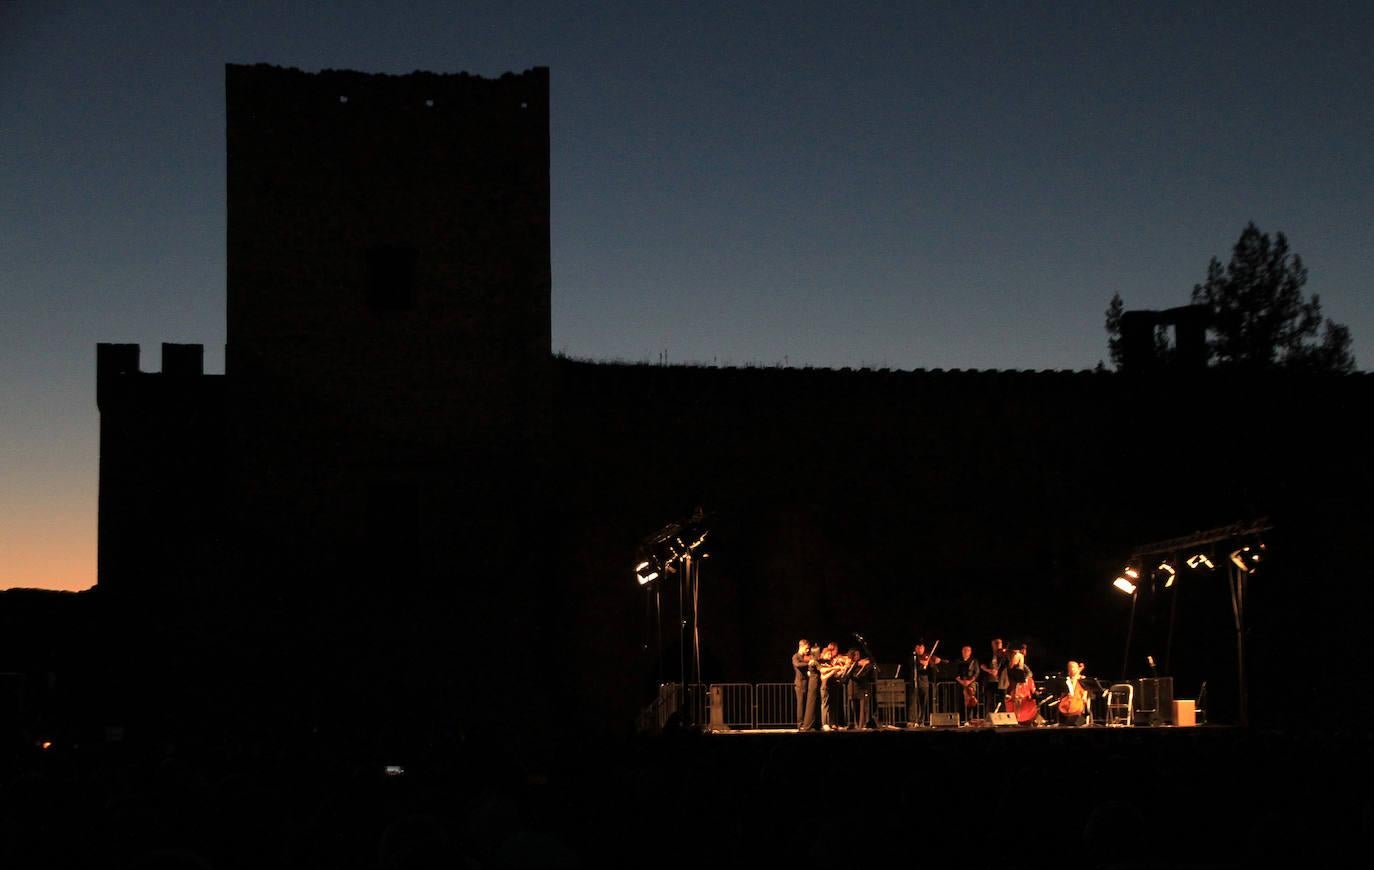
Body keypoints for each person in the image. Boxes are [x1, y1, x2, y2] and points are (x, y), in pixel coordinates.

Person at [908, 641, 938, 727]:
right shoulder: (913, 657)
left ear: (924, 648)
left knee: (923, 703)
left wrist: (931, 663)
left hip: (924, 683)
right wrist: (921, 663)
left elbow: (932, 669)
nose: (920, 649)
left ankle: (922, 721)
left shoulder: (927, 656)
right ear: (915, 648)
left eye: (921, 648)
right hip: (914, 682)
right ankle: (913, 720)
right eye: (918, 648)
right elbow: (911, 665)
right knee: (913, 702)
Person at [980, 638, 1009, 715]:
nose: (998, 645)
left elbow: (1008, 664)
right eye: (996, 644)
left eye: (999, 643)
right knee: (990, 700)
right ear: (992, 645)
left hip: (1001, 681)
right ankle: (989, 718)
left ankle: (1003, 718)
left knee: (1002, 701)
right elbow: (982, 665)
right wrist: (989, 670)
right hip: (990, 681)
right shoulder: (988, 655)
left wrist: (1006, 654)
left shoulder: (1004, 655)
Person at [955, 645, 980, 723]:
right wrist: (961, 681)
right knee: (960, 701)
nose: (966, 652)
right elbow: (955, 673)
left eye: (968, 650)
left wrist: (969, 681)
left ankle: (969, 719)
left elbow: (976, 673)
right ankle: (960, 720)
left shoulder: (974, 661)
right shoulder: (958, 661)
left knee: (970, 702)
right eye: (964, 650)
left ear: (970, 652)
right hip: (960, 683)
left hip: (970, 683)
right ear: (962, 651)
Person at [792, 639, 810, 729]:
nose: (808, 651)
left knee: (806, 704)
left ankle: (806, 723)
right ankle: (800, 724)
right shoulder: (796, 656)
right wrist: (808, 663)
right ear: (801, 646)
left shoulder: (805, 657)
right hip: (799, 684)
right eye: (806, 648)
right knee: (801, 704)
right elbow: (798, 665)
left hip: (806, 683)